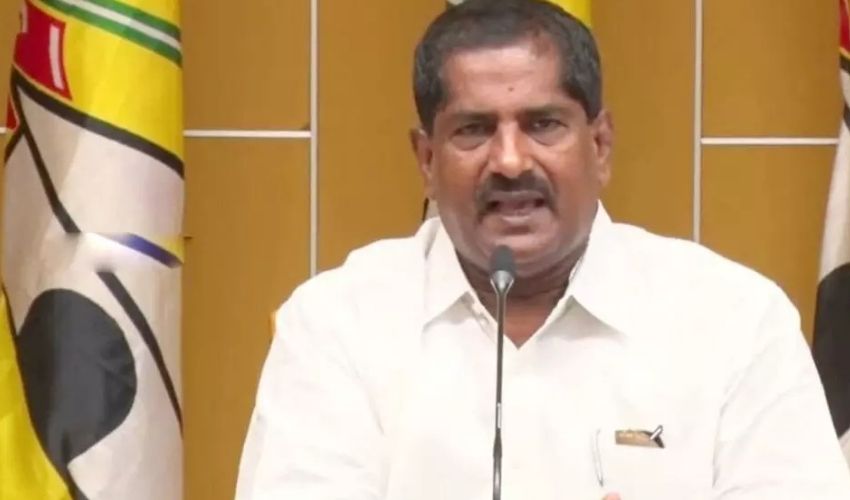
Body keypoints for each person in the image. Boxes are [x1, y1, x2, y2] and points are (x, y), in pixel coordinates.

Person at [235, 1, 850, 498]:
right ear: (426, 160)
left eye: (543, 124)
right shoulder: (337, 325)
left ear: (600, 146)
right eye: (474, 129)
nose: (509, 161)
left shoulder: (733, 321)